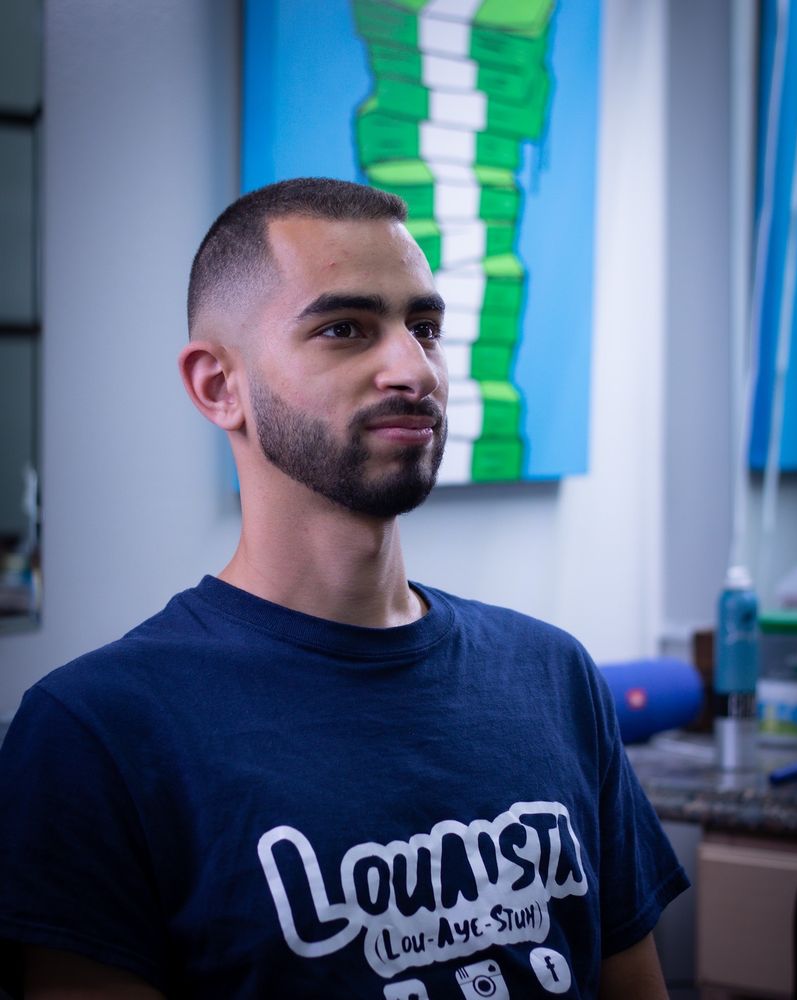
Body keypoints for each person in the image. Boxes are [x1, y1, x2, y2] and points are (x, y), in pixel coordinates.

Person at [0, 178, 687, 999]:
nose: (414, 369)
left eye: (424, 328)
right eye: (344, 328)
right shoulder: (97, 733)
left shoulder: (553, 675)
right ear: (219, 386)